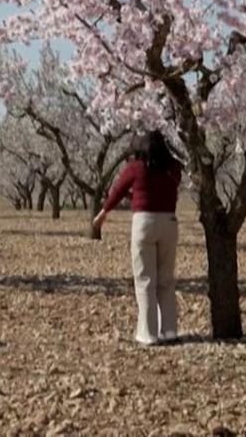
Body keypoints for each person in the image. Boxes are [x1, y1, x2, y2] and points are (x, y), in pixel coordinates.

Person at [93, 130, 184, 346]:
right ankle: (169, 331)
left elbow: (117, 191)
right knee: (166, 280)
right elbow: (162, 191)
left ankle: (148, 334)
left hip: (144, 223)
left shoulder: (135, 167)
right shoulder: (174, 168)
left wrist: (103, 213)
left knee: (145, 279)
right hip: (169, 223)